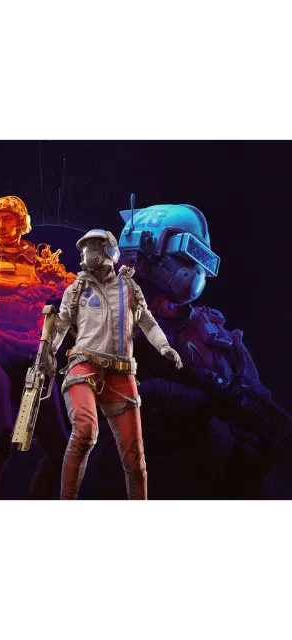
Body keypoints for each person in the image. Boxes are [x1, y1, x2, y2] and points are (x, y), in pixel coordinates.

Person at [79, 203, 292, 503]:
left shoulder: (213, 331)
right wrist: (162, 393)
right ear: (147, 249)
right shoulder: (107, 315)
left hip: (206, 472)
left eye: (202, 257)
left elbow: (256, 401)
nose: (197, 270)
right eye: (188, 252)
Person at [49, 229, 183, 504]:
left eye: (94, 246)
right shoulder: (76, 289)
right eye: (86, 247)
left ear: (109, 250)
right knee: (85, 431)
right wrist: (48, 352)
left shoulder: (129, 288)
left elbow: (147, 321)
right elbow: (61, 324)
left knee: (135, 458)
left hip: (121, 372)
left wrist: (163, 346)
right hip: (83, 365)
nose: (88, 252)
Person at [0, 195, 75, 502]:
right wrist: (18, 287)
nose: (0, 225)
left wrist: (61, 283)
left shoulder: (39, 260)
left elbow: (72, 287)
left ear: (21, 222)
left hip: (32, 355)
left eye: (7, 218)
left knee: (59, 446)